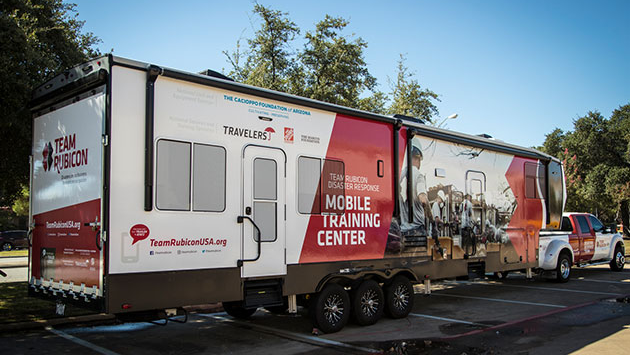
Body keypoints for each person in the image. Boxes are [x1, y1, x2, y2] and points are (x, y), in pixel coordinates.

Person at [399, 146, 431, 234]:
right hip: (417, 229)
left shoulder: (401, 175)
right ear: (416, 159)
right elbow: (423, 199)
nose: (420, 163)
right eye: (419, 160)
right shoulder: (419, 175)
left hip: (403, 229)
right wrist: (432, 220)